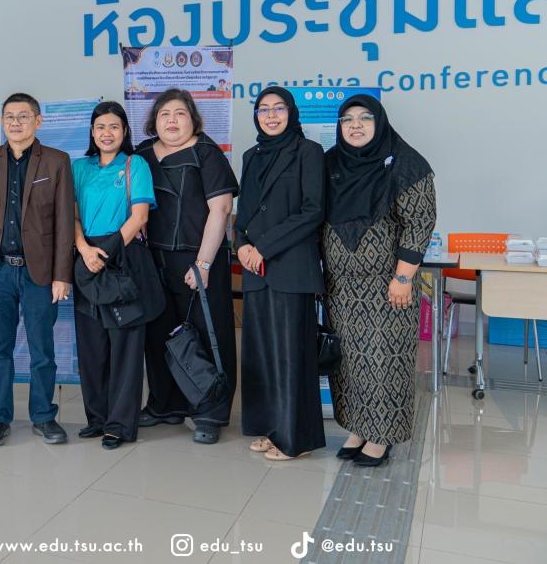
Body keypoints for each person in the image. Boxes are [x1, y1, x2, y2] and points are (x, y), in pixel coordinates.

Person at [323, 95, 435, 467]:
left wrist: (403, 277)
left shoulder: (407, 163)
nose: (355, 125)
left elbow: (419, 222)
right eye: (347, 119)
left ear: (380, 121)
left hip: (388, 285)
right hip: (341, 288)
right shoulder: (331, 163)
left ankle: (381, 435)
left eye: (365, 118)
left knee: (384, 359)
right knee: (349, 362)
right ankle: (358, 427)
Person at [136, 89, 238, 444]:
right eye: (164, 114)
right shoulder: (142, 154)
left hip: (199, 259)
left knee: (208, 334)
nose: (172, 120)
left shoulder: (207, 153)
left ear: (193, 119)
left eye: (180, 113)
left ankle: (210, 412)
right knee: (159, 334)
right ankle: (165, 404)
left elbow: (221, 210)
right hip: (154, 259)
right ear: (154, 121)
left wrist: (203, 263)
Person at [0, 93, 75, 446]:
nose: (15, 123)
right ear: (2, 121)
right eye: (9, 117)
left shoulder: (57, 161)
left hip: (40, 273)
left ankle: (44, 416)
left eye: (23, 116)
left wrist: (62, 275)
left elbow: (64, 221)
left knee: (41, 349)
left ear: (37, 121)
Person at [234, 87, 327, 460]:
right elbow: (245, 211)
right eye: (263, 109)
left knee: (291, 356)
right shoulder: (251, 155)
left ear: (291, 113)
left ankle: (294, 439)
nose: (271, 116)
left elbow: (312, 210)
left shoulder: (308, 152)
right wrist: (241, 245)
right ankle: (270, 429)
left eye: (278, 108)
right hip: (255, 269)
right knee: (262, 356)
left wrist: (263, 247)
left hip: (290, 267)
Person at [72, 101, 159, 450]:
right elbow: (71, 216)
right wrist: (84, 249)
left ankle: (120, 424)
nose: (106, 133)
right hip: (86, 258)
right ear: (92, 133)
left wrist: (104, 252)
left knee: (125, 347)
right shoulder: (79, 168)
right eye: (100, 127)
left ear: (124, 131)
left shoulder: (135, 164)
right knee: (91, 346)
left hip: (122, 256)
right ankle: (97, 418)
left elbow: (140, 217)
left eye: (114, 127)